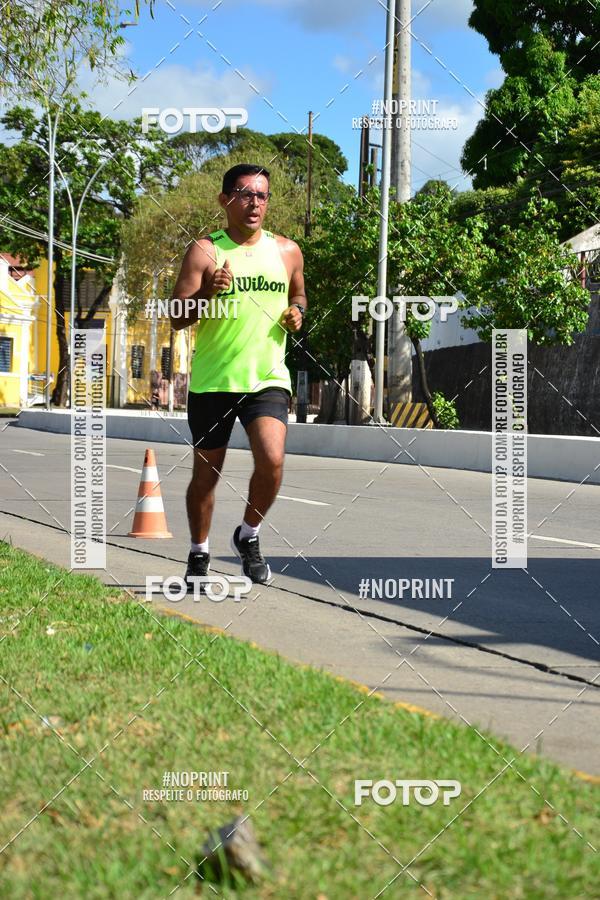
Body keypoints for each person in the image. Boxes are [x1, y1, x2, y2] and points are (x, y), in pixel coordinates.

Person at [169, 163, 307, 588]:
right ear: (225, 199)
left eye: (262, 195)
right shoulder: (204, 251)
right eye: (245, 194)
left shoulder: (287, 250)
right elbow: (176, 316)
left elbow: (299, 290)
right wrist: (208, 292)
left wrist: (297, 311)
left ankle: (248, 535)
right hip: (213, 380)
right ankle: (199, 551)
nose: (255, 203)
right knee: (207, 474)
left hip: (266, 377)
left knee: (273, 459)